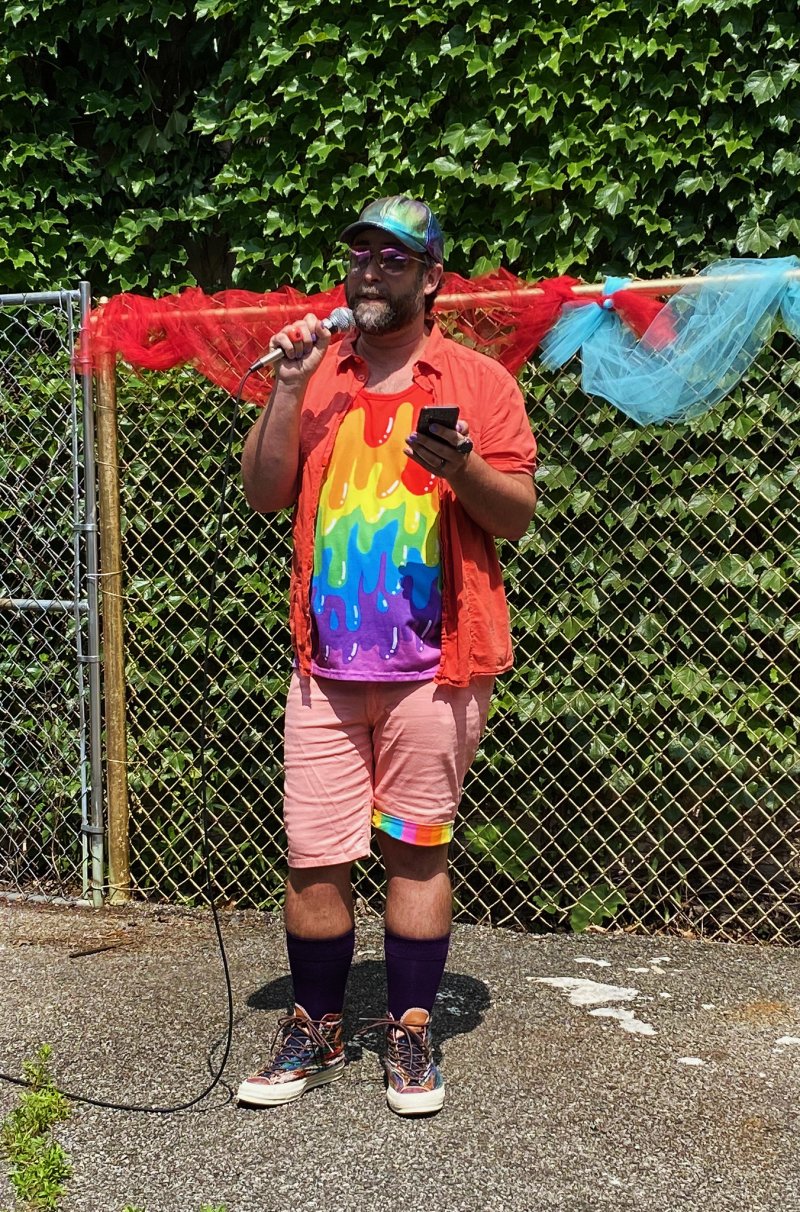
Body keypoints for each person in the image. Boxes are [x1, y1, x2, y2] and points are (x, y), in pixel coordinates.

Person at [237, 195, 537, 1116]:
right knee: (313, 859)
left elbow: (516, 516)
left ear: (431, 278)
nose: (370, 271)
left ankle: (409, 1030)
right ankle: (315, 1025)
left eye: (393, 258)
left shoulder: (479, 382)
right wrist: (286, 389)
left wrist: (461, 469)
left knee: (415, 853)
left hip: (437, 672)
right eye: (360, 255)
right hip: (324, 673)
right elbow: (264, 493)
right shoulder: (317, 372)